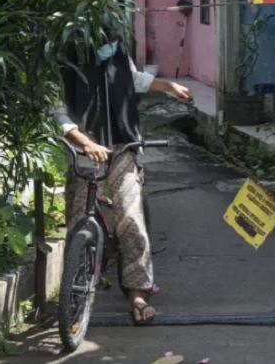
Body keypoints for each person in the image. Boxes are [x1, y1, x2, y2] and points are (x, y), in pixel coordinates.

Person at [52, 31, 191, 324]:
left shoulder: (117, 52)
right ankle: (74, 290)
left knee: (130, 218)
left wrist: (169, 86)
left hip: (123, 145)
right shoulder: (66, 58)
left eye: (112, 41)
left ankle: (138, 292)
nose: (108, 47)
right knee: (78, 220)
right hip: (82, 151)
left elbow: (133, 79)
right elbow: (56, 110)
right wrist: (84, 142)